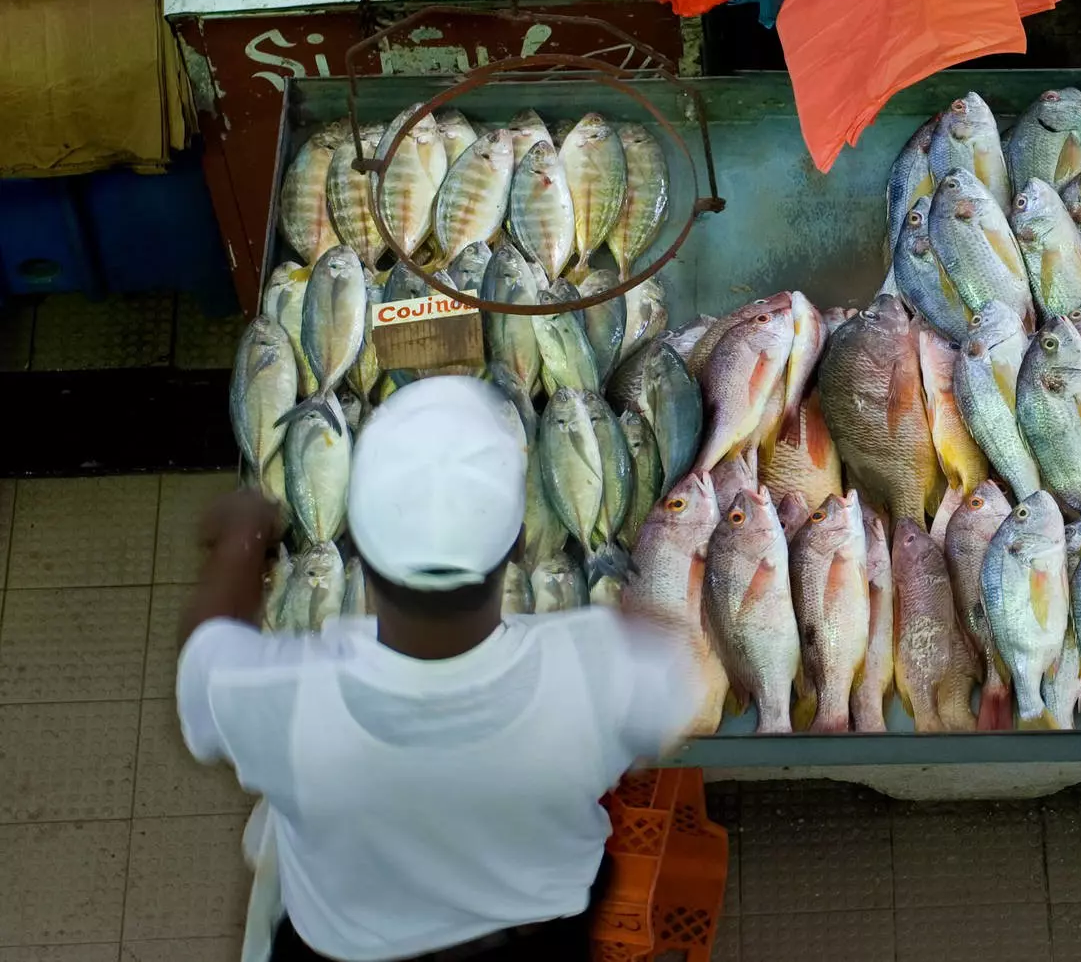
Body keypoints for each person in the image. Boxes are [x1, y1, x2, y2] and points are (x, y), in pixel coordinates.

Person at [177, 376, 706, 962]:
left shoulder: (282, 696)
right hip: (536, 946)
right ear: (516, 548)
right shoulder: (604, 670)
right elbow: (672, 680)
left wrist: (240, 540)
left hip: (345, 951)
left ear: (358, 543)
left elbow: (205, 651)